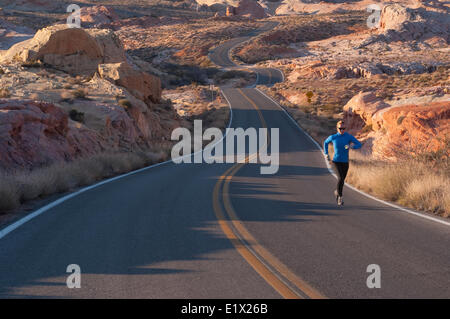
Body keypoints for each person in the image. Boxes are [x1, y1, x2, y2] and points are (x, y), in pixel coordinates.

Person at [324, 121, 362, 206]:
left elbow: (359, 144)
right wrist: (326, 153)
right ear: (337, 128)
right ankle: (340, 198)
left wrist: (351, 146)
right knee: (340, 178)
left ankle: (337, 191)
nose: (342, 130)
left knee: (342, 181)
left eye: (343, 128)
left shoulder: (348, 137)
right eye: (340, 128)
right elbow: (325, 142)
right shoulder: (333, 137)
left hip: (345, 162)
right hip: (336, 161)